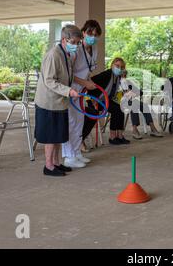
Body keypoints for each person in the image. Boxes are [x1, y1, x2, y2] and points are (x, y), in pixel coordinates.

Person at [34, 24, 81, 177]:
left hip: (60, 102)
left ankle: (56, 163)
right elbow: (49, 81)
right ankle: (48, 166)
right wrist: (69, 91)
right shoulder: (53, 55)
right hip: (48, 102)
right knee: (50, 135)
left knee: (58, 135)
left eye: (77, 42)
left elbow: (68, 76)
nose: (75, 45)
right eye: (73, 42)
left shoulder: (66, 54)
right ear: (64, 40)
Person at [62, 20, 101, 168]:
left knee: (79, 121)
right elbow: (69, 73)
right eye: (90, 33)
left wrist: (88, 82)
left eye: (96, 35)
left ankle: (77, 152)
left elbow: (88, 69)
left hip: (81, 90)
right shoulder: (76, 49)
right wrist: (85, 83)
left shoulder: (94, 49)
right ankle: (68, 157)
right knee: (71, 122)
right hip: (71, 89)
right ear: (83, 33)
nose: (93, 37)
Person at [82, 57, 130, 145]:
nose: (119, 68)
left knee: (120, 109)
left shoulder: (119, 77)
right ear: (112, 65)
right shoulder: (107, 74)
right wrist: (93, 98)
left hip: (106, 100)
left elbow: (125, 89)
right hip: (96, 100)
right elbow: (91, 82)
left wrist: (123, 78)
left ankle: (119, 135)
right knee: (116, 109)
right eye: (117, 66)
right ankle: (112, 136)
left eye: (122, 67)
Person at [120, 70, 163, 139]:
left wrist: (132, 93)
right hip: (120, 102)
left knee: (144, 106)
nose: (124, 76)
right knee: (134, 105)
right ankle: (134, 130)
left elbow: (140, 92)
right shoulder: (116, 82)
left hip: (131, 100)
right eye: (122, 75)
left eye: (125, 75)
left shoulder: (127, 82)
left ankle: (152, 127)